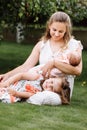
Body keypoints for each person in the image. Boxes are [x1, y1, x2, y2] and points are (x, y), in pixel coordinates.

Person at [0, 11, 83, 105]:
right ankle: (19, 93)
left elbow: (77, 71)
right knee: (20, 82)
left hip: (60, 90)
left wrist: (54, 62)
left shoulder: (74, 45)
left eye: (61, 31)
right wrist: (7, 75)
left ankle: (29, 96)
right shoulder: (42, 44)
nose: (56, 34)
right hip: (40, 83)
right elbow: (26, 66)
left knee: (48, 97)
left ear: (66, 30)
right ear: (49, 26)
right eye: (54, 30)